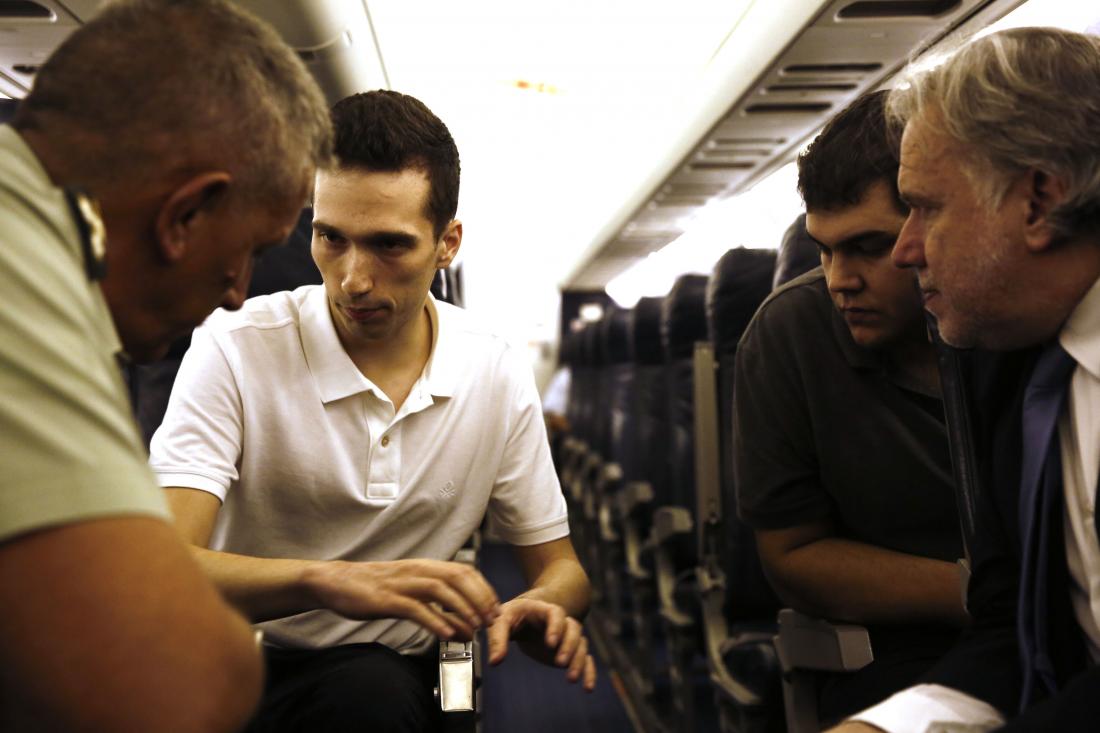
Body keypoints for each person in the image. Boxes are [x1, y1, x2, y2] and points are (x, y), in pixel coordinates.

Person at [150, 90, 595, 732]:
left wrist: (545, 605)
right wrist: (327, 582)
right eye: (330, 238)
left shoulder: (492, 367)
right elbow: (163, 567)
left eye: (389, 245)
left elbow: (561, 567)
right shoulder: (236, 345)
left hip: (395, 680)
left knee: (371, 694)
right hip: (245, 659)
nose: (353, 279)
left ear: (447, 244)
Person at [0, 1, 334, 731]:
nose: (239, 291)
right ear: (185, 216)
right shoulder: (16, 260)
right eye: (249, 250)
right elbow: (179, 681)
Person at [833, 27, 1100, 733]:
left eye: (926, 207)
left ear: (1039, 201)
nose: (905, 249)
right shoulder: (1006, 358)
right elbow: (1013, 629)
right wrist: (885, 728)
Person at [733, 90, 966, 723]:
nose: (840, 279)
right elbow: (793, 558)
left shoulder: (1009, 311)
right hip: (887, 652)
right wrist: (982, 594)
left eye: (868, 246)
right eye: (825, 249)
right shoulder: (790, 335)